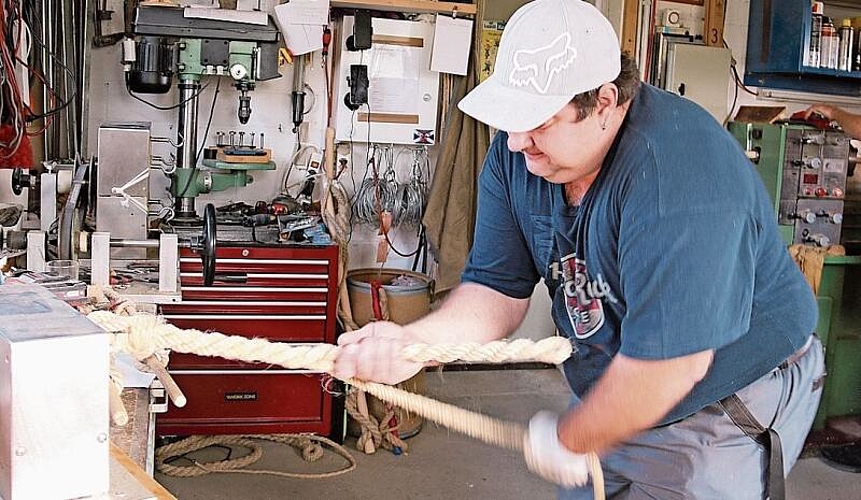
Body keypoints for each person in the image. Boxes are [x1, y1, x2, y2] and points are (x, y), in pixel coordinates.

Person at [333, 1, 826, 498]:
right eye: (511, 118)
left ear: (605, 102)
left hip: (723, 387)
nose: (517, 141)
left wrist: (574, 437)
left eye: (540, 122)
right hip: (623, 376)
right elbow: (495, 292)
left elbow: (670, 369)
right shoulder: (519, 156)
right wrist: (413, 345)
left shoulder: (676, 175)